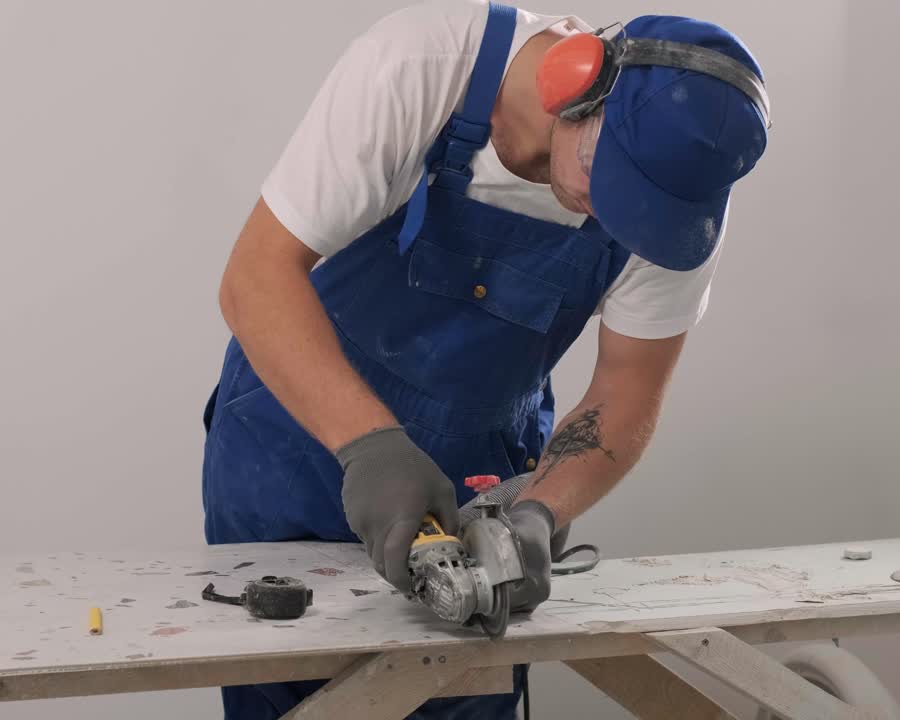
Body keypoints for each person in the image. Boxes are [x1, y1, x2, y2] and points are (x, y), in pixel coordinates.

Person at [202, 0, 769, 716]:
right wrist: (372, 449)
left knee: (461, 688)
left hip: (476, 491)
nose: (611, 218)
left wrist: (539, 511)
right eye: (609, 180)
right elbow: (255, 280)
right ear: (572, 81)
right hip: (290, 454)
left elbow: (627, 387)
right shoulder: (420, 67)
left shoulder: (675, 199)